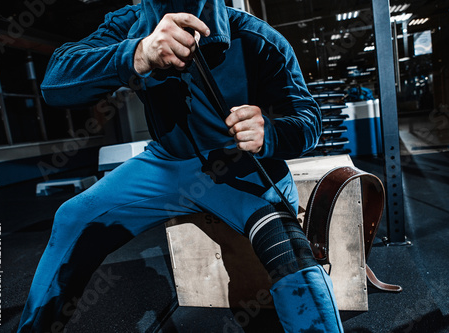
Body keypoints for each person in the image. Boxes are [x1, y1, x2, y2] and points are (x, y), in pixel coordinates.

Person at [18, 0, 344, 332]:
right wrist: (137, 54)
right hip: (165, 162)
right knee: (74, 217)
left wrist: (271, 132)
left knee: (288, 251)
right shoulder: (132, 24)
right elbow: (55, 84)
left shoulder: (258, 38)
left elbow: (308, 119)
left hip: (238, 167)